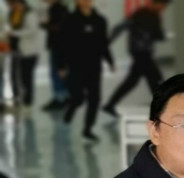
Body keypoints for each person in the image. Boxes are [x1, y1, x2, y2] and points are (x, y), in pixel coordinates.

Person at [57, 0, 114, 142]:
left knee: (94, 98)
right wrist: (61, 65)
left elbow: (103, 43)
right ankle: (72, 107)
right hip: (76, 65)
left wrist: (110, 61)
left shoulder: (100, 20)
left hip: (94, 65)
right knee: (78, 97)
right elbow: (62, 42)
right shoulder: (69, 20)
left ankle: (88, 129)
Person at [102, 0, 169, 118]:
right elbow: (121, 27)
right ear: (155, 3)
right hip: (139, 53)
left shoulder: (155, 17)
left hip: (145, 53)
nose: (162, 8)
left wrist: (162, 35)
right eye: (161, 5)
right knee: (154, 78)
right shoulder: (140, 14)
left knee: (136, 80)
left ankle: (110, 104)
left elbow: (157, 35)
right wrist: (107, 42)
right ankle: (161, 107)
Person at [6, 0, 39, 109]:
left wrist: (14, 33)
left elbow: (32, 31)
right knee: (14, 75)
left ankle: (27, 102)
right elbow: (10, 27)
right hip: (15, 49)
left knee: (26, 77)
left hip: (28, 51)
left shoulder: (30, 14)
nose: (11, 6)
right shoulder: (12, 13)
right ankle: (16, 98)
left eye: (13, 3)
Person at [39, 0, 69, 111]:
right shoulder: (62, 8)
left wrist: (45, 25)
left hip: (58, 45)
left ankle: (59, 98)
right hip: (61, 45)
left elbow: (57, 27)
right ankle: (65, 97)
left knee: (57, 72)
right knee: (60, 72)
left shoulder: (57, 9)